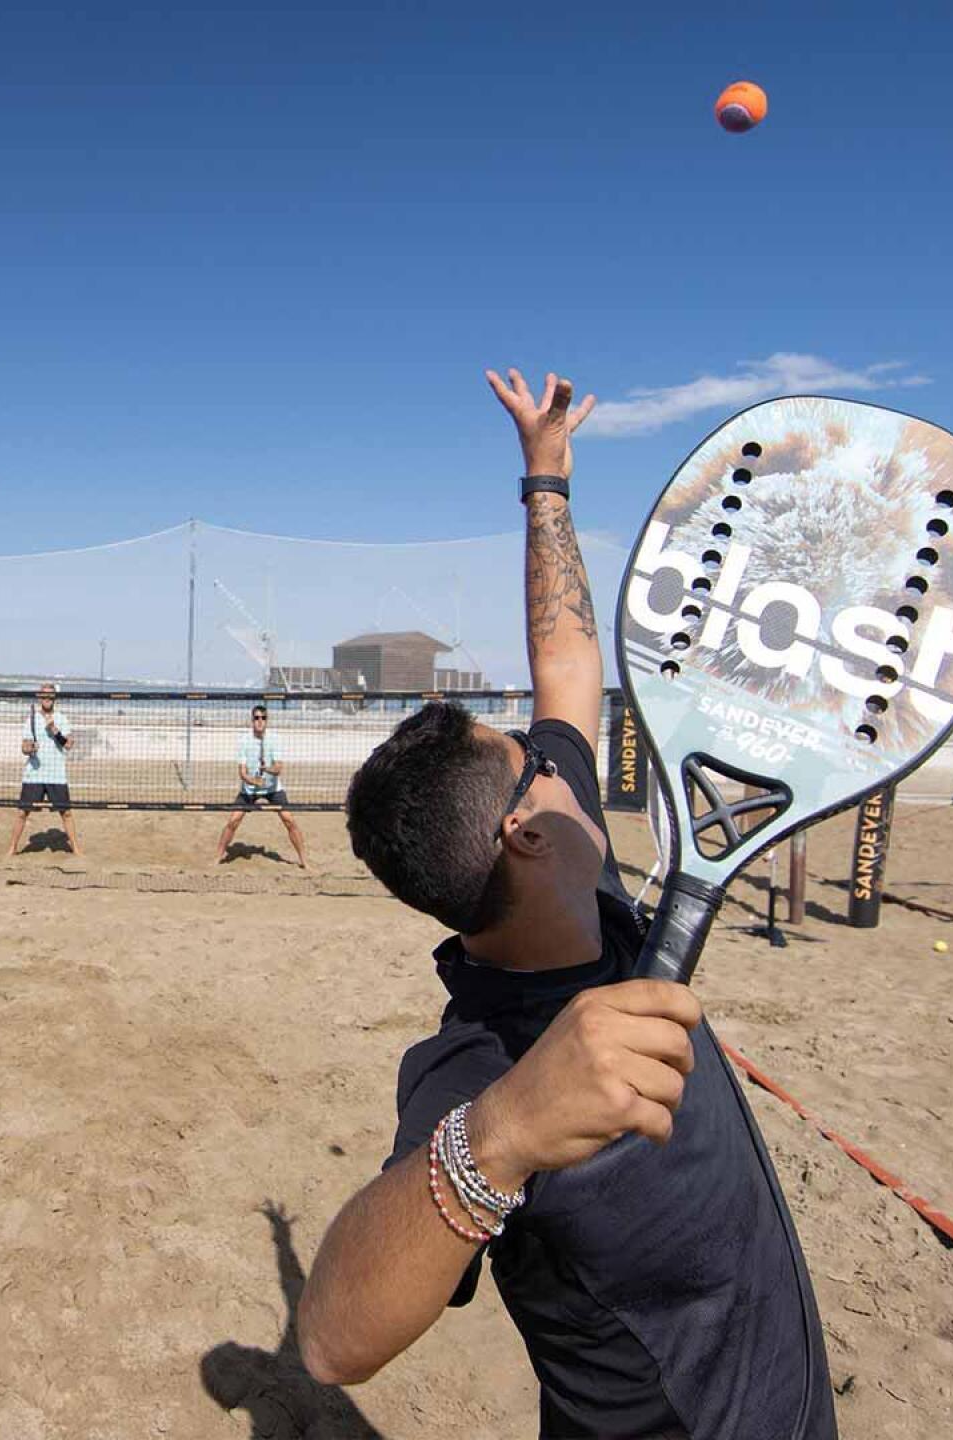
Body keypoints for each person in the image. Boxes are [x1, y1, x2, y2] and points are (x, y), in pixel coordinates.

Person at [296, 370, 836, 1439]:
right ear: (525, 836)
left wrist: (545, 477)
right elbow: (329, 1337)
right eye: (532, 763)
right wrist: (501, 1138)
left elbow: (569, 662)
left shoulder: (569, 867)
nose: (556, 751)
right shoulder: (473, 1067)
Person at [214, 704, 310, 869]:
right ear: (252, 720)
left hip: (273, 788)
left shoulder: (275, 739)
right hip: (249, 789)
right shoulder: (244, 740)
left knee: (289, 821)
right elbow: (242, 773)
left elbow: (279, 768)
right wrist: (253, 781)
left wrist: (267, 770)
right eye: (257, 718)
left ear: (267, 720)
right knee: (233, 821)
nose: (260, 721)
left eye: (263, 718)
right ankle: (216, 858)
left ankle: (305, 862)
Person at [6, 681, 82, 857]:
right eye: (44, 695)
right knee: (22, 813)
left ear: (54, 698)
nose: (47, 698)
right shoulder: (31, 718)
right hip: (34, 774)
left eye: (50, 695)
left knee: (66, 813)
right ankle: (12, 848)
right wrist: (29, 748)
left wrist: (55, 731)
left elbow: (69, 744)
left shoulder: (62, 718)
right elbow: (24, 747)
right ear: (39, 697)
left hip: (56, 774)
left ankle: (76, 849)